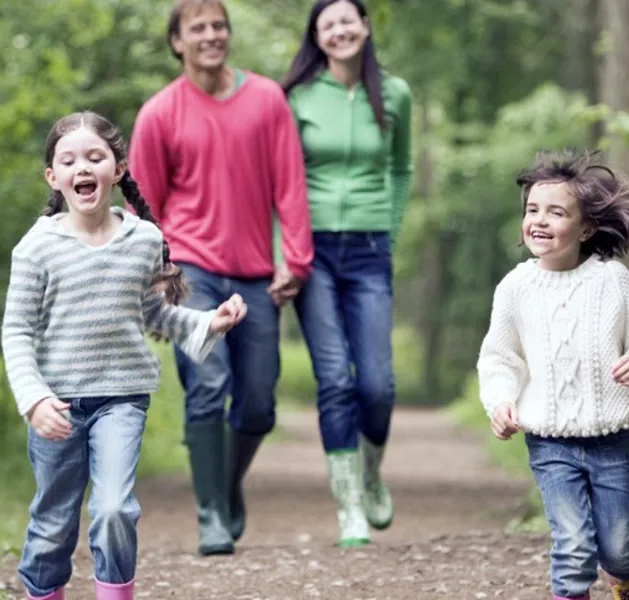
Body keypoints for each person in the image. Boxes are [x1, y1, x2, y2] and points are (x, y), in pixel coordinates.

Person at [1, 111, 247, 600]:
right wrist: (33, 399)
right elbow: (17, 330)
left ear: (117, 169)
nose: (83, 168)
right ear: (53, 176)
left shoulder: (144, 240)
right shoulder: (37, 248)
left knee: (114, 509)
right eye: (69, 160)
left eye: (96, 157)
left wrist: (207, 322)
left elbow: (154, 313)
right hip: (57, 407)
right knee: (53, 524)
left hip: (122, 398)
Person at [128, 0, 313, 556]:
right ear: (178, 42)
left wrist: (294, 259)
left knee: (258, 402)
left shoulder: (267, 100)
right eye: (198, 28)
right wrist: (157, 274)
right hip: (191, 269)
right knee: (208, 385)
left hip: (256, 273)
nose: (211, 35)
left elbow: (290, 184)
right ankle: (210, 512)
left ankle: (224, 485)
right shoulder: (159, 113)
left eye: (218, 26)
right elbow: (143, 206)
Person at [476, 149, 629, 600]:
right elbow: (500, 358)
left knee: (618, 548)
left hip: (612, 438)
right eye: (532, 210)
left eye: (555, 212)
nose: (539, 220)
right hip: (550, 441)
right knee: (573, 546)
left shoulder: (612, 280)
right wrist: (500, 401)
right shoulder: (515, 288)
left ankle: (623, 576)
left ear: (585, 228)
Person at [279, 0, 413, 547]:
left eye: (347, 20)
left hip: (370, 250)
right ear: (317, 36)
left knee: (377, 384)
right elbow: (282, 181)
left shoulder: (396, 93)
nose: (339, 30)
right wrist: (283, 253)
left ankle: (371, 472)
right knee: (335, 380)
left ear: (364, 27)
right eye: (327, 24)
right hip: (312, 254)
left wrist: (391, 229)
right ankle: (349, 507)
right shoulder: (298, 98)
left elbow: (401, 169)